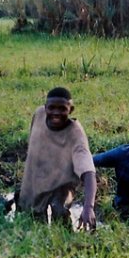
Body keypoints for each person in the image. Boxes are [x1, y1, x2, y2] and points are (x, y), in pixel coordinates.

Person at [17, 87, 97, 231]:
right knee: (31, 224)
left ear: (71, 109)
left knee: (59, 208)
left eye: (62, 109)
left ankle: (66, 240)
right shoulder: (39, 114)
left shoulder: (76, 135)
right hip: (36, 181)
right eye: (51, 108)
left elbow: (89, 172)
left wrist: (88, 207)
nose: (56, 113)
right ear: (45, 107)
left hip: (62, 185)